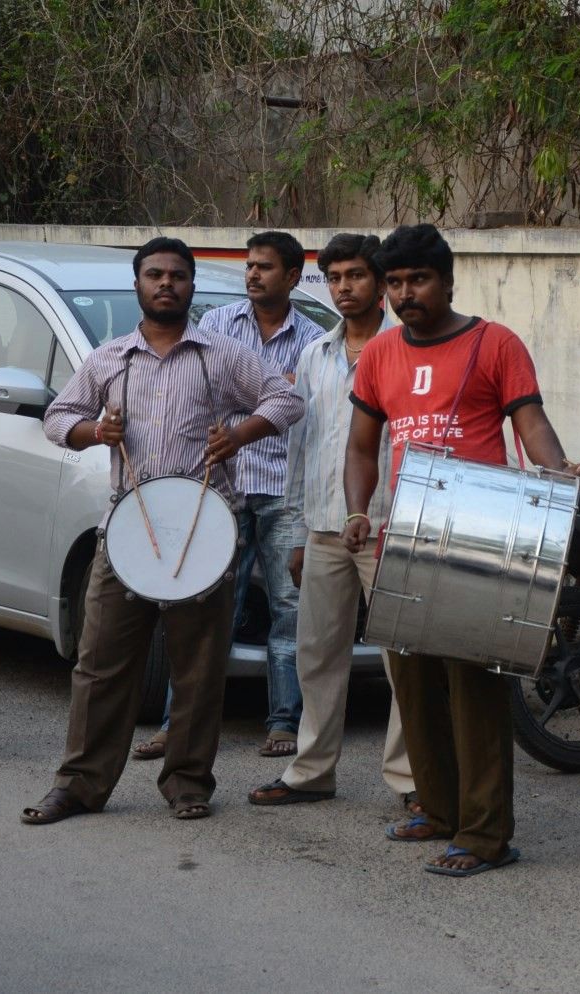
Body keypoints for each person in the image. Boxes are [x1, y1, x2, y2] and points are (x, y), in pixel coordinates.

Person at [343, 223, 580, 877]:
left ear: (448, 279)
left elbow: (531, 422)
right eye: (397, 282)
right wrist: (356, 509)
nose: (407, 294)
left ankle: (486, 836)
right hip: (406, 535)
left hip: (480, 537)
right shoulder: (378, 355)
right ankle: (436, 809)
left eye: (419, 280)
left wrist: (561, 468)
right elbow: (358, 447)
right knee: (413, 684)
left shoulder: (495, 343)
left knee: (474, 690)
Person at [21, 237, 302, 825]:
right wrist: (95, 432)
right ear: (139, 285)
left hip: (206, 532)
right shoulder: (110, 359)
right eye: (155, 275)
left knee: (198, 668)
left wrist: (241, 434)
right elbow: (57, 419)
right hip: (124, 532)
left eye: (177, 275)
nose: (166, 283)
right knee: (100, 664)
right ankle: (78, 785)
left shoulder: (220, 353)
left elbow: (285, 398)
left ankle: (187, 783)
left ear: (192, 286)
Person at [247, 233, 416, 810]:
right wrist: (296, 533)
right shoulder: (314, 353)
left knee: (403, 663)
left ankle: (412, 781)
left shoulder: (405, 350)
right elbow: (302, 447)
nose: (345, 288)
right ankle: (312, 771)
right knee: (316, 655)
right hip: (322, 527)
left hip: (389, 526)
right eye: (336, 278)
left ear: (380, 283)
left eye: (357, 276)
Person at [165, 230, 325, 761]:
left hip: (284, 489)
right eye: (250, 266)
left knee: (288, 608)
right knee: (209, 608)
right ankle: (176, 723)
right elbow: (206, 391)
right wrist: (270, 391)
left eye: (266, 267)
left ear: (294, 276)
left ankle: (283, 723)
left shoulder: (315, 338)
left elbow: (305, 408)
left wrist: (260, 400)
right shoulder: (214, 325)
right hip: (223, 486)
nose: (253, 274)